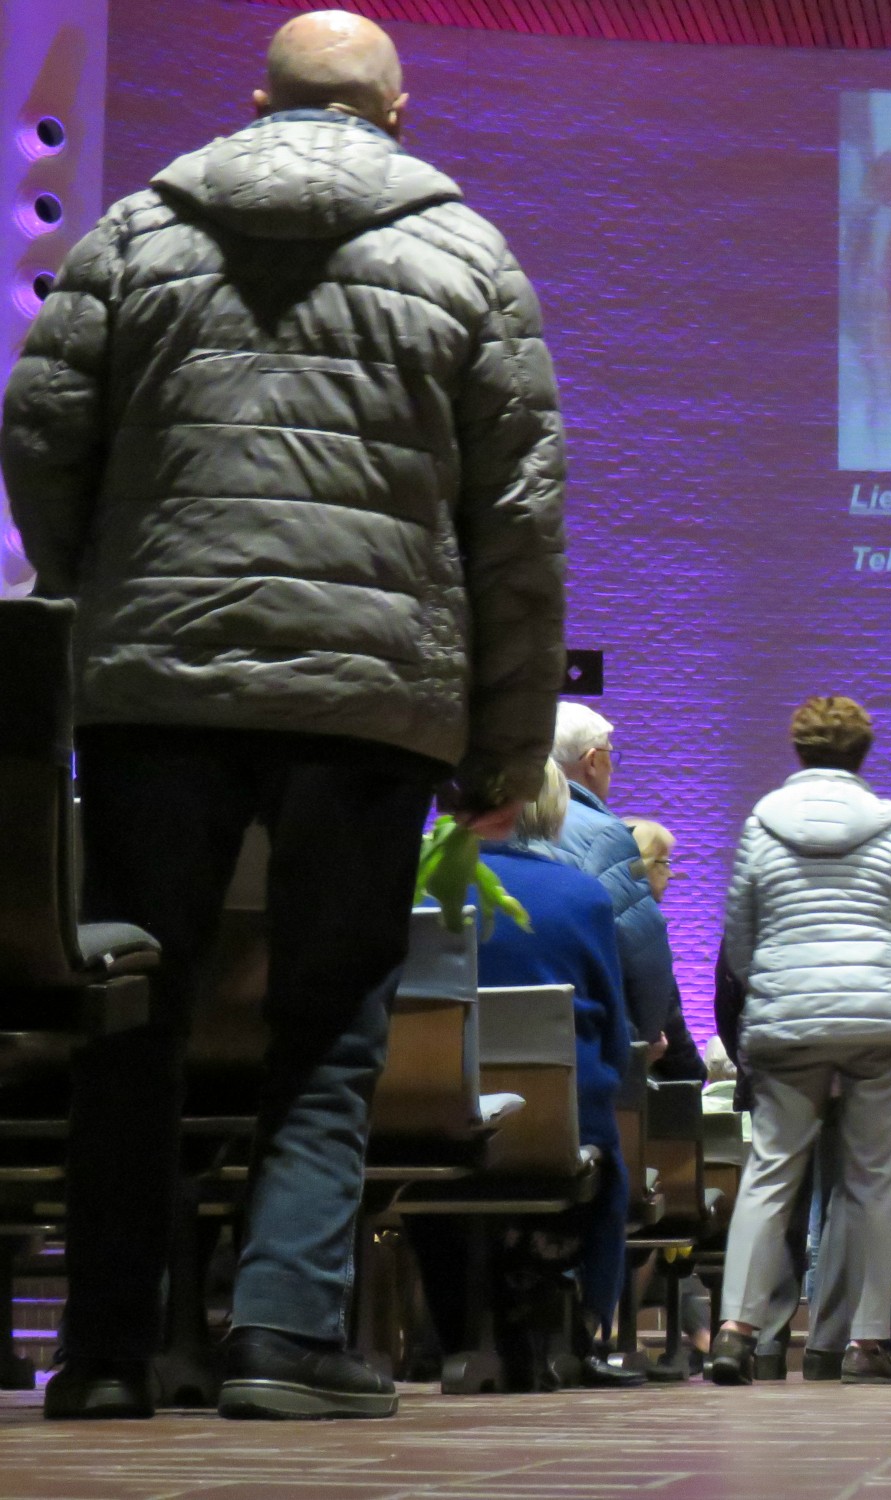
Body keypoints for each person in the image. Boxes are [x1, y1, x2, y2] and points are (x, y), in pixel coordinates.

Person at [3, 10, 566, 1421]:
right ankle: (282, 1337)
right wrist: (504, 744)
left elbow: (39, 428)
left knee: (132, 1004)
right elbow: (516, 523)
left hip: (159, 689)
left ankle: (112, 1353)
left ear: (258, 101)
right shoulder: (466, 258)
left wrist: (101, 599)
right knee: (330, 1023)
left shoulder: (136, 232)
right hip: (370, 701)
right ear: (397, 111)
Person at [710, 697, 891, 1386]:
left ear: (799, 750)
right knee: (874, 1181)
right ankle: (866, 1343)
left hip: (787, 1018)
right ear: (863, 753)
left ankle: (736, 1332)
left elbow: (741, 937)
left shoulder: (760, 824)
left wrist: (778, 990)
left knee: (772, 1168)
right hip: (878, 1018)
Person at [414, 761, 638, 1391]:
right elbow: (615, 1033)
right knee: (605, 1165)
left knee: (430, 1175)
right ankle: (572, 1327)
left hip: (429, 1112)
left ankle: (456, 1329)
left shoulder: (415, 885)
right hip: (555, 1118)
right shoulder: (585, 897)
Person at [550, 703, 701, 1081]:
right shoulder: (608, 836)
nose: (612, 768)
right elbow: (642, 949)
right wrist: (641, 1041)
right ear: (591, 761)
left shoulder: (500, 822)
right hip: (590, 1041)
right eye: (610, 757)